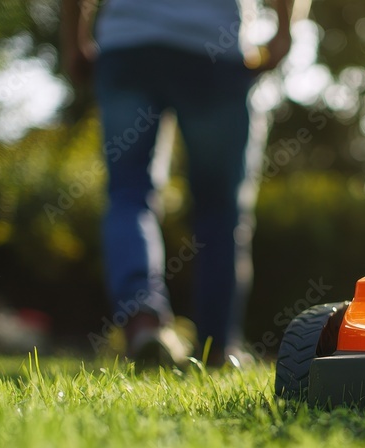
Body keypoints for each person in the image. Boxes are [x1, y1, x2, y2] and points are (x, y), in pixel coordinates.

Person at [62, 0, 295, 367]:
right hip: (212, 45)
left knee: (128, 192)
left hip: (128, 43)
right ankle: (217, 347)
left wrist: (74, 37)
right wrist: (284, 29)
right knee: (220, 208)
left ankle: (143, 321)